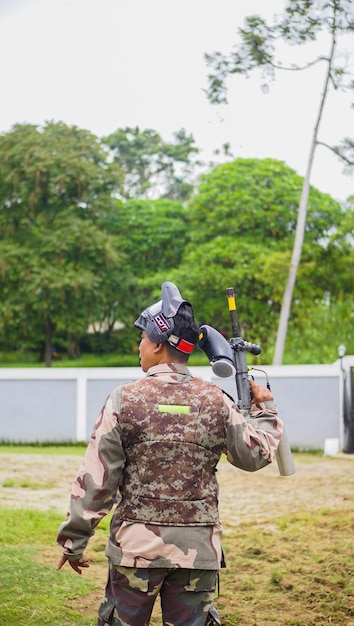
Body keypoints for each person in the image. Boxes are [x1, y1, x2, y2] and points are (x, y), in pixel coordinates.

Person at [56, 282, 283, 626]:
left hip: (135, 551)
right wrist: (265, 409)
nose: (139, 346)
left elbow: (97, 479)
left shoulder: (124, 398)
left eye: (142, 339)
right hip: (198, 553)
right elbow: (254, 455)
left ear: (159, 343)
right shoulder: (216, 400)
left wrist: (74, 540)